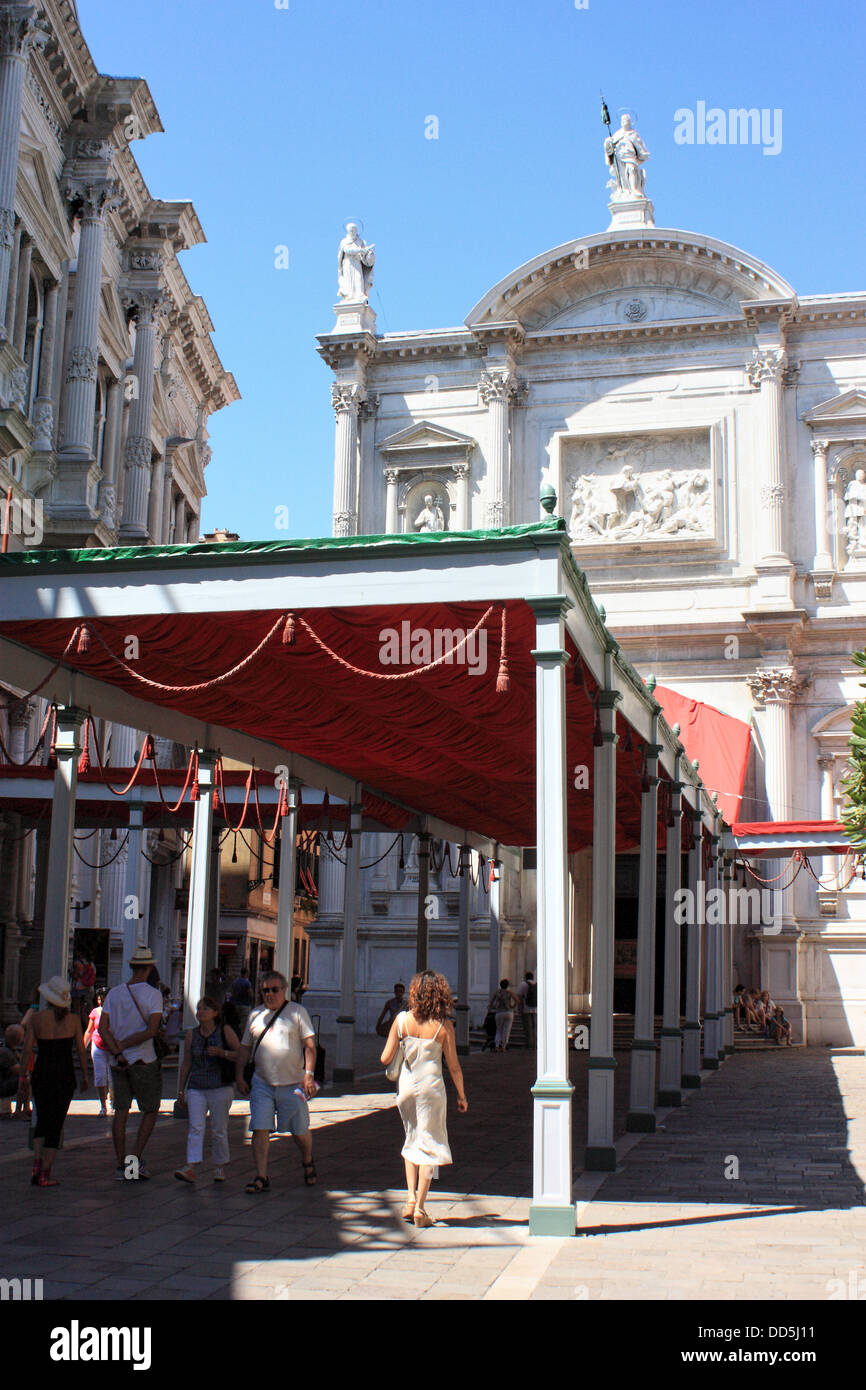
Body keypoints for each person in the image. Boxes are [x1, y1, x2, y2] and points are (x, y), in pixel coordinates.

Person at [380, 970, 468, 1228]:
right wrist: (462, 1095)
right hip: (432, 1086)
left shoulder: (402, 1020)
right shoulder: (443, 1025)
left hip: (406, 1085)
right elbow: (453, 1066)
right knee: (430, 1143)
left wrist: (400, 1043)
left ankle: (409, 1199)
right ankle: (420, 1207)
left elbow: (385, 1058)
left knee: (412, 1138)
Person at [235, 970, 318, 1194]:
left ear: (284, 990)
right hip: (262, 1082)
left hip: (293, 1084)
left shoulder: (297, 1012)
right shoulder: (255, 1015)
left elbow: (310, 1046)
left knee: (300, 1131)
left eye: (274, 990)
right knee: (260, 1128)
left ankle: (307, 1159)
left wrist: (308, 1074)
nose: (269, 994)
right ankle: (261, 1175)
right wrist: (239, 1074)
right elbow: (245, 1048)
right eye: (265, 990)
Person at [98, 945, 164, 1181]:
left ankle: (120, 1163)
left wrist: (117, 1050)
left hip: (118, 1062)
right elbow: (152, 1030)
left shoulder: (114, 993)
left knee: (121, 1112)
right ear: (148, 968)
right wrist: (125, 1045)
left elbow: (102, 1028)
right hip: (144, 1060)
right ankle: (134, 1160)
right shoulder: (153, 995)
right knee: (150, 1109)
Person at [19, 976, 89, 1187]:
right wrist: (85, 1075)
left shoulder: (37, 1019)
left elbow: (27, 1049)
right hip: (64, 1074)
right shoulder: (74, 1020)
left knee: (42, 1122)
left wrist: (23, 1074)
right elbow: (80, 1050)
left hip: (42, 1072)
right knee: (55, 1124)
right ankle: (45, 1174)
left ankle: (36, 1165)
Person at [175, 997, 240, 1185]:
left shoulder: (225, 1031)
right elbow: (186, 1063)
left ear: (215, 1012)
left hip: (220, 1086)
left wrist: (222, 1053)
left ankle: (219, 1166)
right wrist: (181, 1090)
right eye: (199, 1009)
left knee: (219, 1128)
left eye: (206, 1008)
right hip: (197, 1087)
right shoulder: (191, 1035)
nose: (201, 1012)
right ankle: (191, 1166)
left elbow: (241, 1054)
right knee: (196, 1127)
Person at [83, 989, 112, 1115]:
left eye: (104, 998)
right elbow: (89, 1030)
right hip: (98, 1045)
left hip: (112, 1047)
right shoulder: (95, 1012)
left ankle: (112, 1100)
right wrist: (83, 1046)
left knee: (112, 1078)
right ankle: (103, 1105)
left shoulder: (115, 1011)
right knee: (100, 1077)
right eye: (100, 998)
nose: (102, 1001)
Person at [488, 978, 519, 1052]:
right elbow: (517, 1000)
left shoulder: (497, 992)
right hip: (509, 1012)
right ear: (507, 985)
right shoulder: (510, 992)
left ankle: (496, 1046)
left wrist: (493, 1007)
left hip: (499, 1012)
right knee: (506, 1030)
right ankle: (504, 1047)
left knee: (498, 1030)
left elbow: (491, 1002)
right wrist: (513, 1006)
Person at [516, 971, 537, 1049]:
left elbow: (519, 997)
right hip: (536, 1009)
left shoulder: (523, 984)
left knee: (527, 1028)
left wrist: (519, 1008)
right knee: (535, 1027)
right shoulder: (537, 984)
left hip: (526, 1008)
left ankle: (529, 1044)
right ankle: (535, 1044)